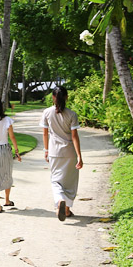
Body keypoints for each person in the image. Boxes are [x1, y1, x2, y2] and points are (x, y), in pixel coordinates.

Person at [40, 85, 83, 221]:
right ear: (66, 97)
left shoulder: (47, 112)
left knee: (56, 180)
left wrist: (46, 150)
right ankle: (67, 209)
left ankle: (59, 200)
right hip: (69, 152)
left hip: (54, 151)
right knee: (70, 181)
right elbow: (74, 136)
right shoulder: (72, 114)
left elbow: (45, 134)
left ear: (53, 98)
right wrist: (80, 156)